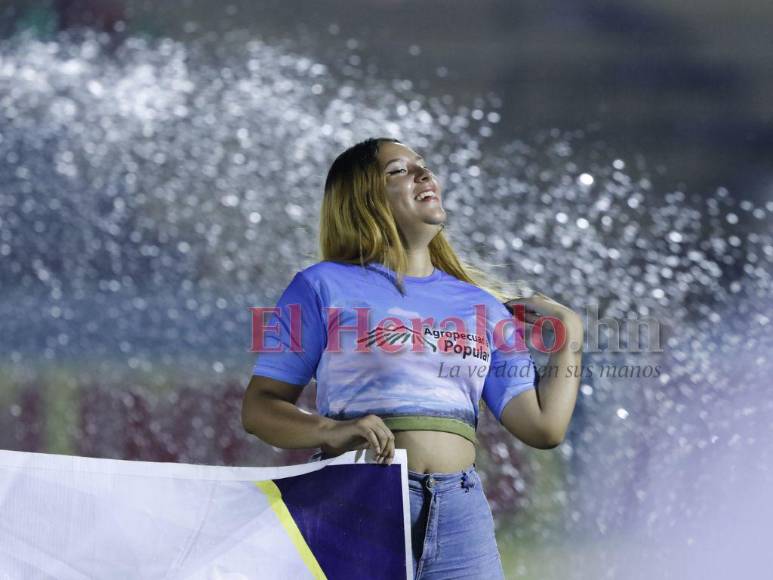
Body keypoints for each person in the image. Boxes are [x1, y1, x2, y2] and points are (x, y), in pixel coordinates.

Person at [242, 137, 584, 579]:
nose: (425, 175)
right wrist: (333, 430)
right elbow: (259, 407)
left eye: (423, 166)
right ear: (364, 198)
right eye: (399, 171)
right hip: (359, 501)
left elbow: (543, 427)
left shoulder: (481, 306)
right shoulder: (320, 286)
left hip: (462, 516)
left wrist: (569, 334)